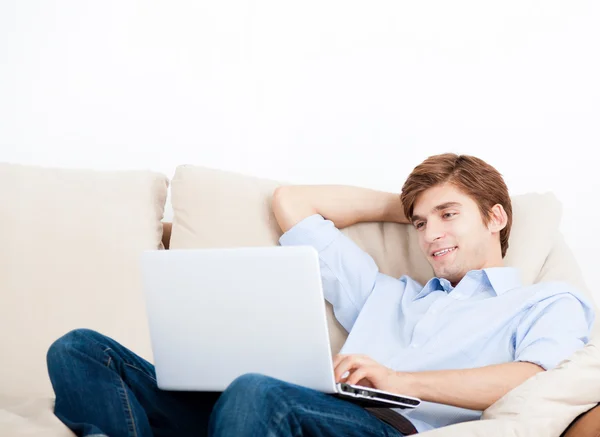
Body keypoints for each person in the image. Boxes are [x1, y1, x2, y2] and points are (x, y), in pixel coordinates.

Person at [46, 153, 594, 437]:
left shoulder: (547, 301)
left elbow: (532, 379)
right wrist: (405, 205)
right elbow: (293, 203)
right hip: (290, 408)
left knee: (258, 392)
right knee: (80, 350)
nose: (430, 235)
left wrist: (397, 380)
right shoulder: (386, 294)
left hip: (378, 426)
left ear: (497, 217)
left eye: (448, 215)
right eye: (421, 223)